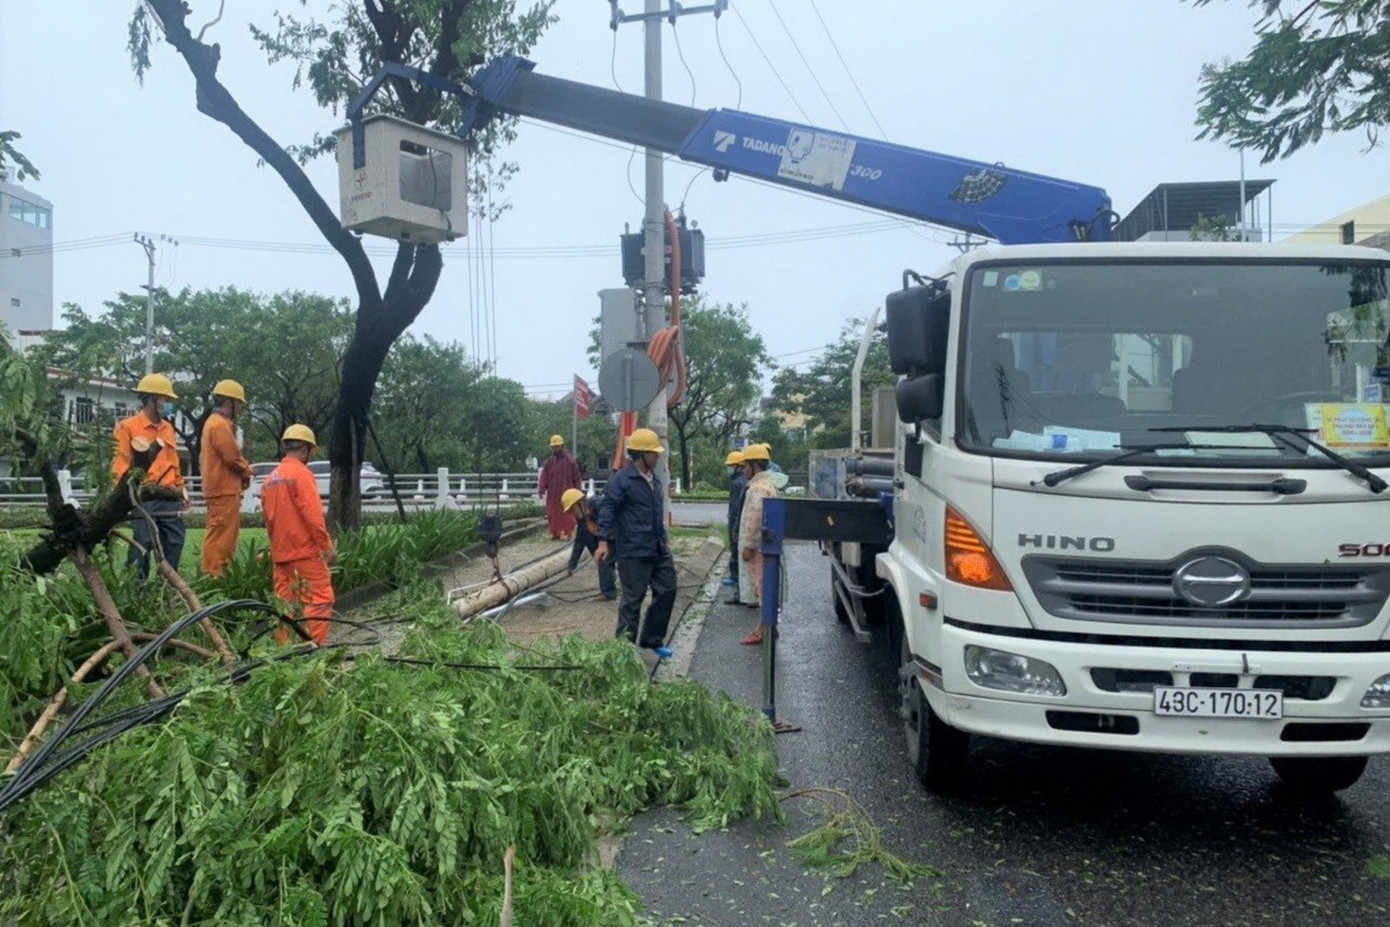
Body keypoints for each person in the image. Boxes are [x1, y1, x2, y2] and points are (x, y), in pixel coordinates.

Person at [595, 427, 675, 659]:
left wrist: (664, 539)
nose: (658, 456)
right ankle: (623, 652)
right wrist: (603, 543)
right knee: (633, 600)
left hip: (657, 547)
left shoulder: (655, 480)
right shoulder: (622, 480)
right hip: (633, 550)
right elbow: (607, 510)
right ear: (640, 455)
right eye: (653, 453)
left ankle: (651, 639)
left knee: (668, 589)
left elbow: (655, 513)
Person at [262, 425, 337, 646]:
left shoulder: (269, 480)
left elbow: (269, 521)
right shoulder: (302, 475)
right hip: (304, 553)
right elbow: (313, 517)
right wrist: (327, 547)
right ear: (306, 449)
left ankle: (285, 653)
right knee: (320, 600)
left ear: (285, 447)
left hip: (281, 556)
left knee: (285, 607)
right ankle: (313, 651)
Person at [112, 373, 188, 579]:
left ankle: (168, 588)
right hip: (144, 497)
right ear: (151, 399)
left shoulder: (168, 429)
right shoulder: (128, 427)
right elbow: (120, 466)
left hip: (168, 496)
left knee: (175, 541)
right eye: (166, 400)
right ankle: (137, 589)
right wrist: (129, 495)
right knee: (142, 543)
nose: (169, 404)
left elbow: (174, 463)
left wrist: (181, 490)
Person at [199, 379, 253, 577]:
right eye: (238, 403)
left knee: (223, 534)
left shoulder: (214, 423)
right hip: (223, 489)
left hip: (222, 488)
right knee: (221, 536)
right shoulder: (220, 425)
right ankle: (215, 575)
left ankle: (217, 572)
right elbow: (232, 458)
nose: (239, 407)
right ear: (229, 402)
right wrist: (247, 470)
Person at [738, 443, 788, 645]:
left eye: (746, 465)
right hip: (767, 546)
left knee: (763, 588)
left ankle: (762, 629)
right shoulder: (769, 485)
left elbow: (755, 519)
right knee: (766, 586)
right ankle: (769, 627)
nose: (743, 470)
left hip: (759, 548)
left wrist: (748, 546)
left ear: (754, 465)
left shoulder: (758, 488)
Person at [561, 487, 617, 601]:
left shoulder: (599, 504)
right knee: (602, 558)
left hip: (620, 535)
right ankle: (608, 592)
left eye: (572, 510)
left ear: (579, 503)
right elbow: (579, 542)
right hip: (606, 541)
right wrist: (572, 563)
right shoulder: (582, 520)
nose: (572, 514)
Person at [538, 434, 582, 540]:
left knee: (568, 514)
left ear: (562, 446)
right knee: (552, 514)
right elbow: (544, 476)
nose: (554, 449)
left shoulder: (570, 461)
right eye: (553, 447)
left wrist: (577, 492)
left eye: (557, 447)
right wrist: (541, 489)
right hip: (553, 494)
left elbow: (577, 477)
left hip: (567, 492)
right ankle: (555, 534)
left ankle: (568, 533)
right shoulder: (550, 462)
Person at [722, 450, 746, 600]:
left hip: (735, 522)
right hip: (736, 522)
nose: (729, 468)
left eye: (731, 466)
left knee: (736, 553)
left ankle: (737, 584)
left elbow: (736, 507)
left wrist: (734, 527)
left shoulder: (738, 483)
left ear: (738, 466)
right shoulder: (741, 481)